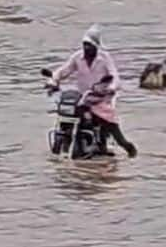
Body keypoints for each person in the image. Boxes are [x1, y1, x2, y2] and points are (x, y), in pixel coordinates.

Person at [52, 25, 137, 157]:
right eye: (84, 44)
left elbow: (115, 76)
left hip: (100, 98)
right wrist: (53, 80)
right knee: (67, 116)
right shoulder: (77, 57)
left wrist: (110, 88)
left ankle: (128, 147)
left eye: (89, 45)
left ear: (96, 46)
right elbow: (64, 70)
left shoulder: (104, 58)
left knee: (110, 123)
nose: (86, 48)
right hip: (82, 99)